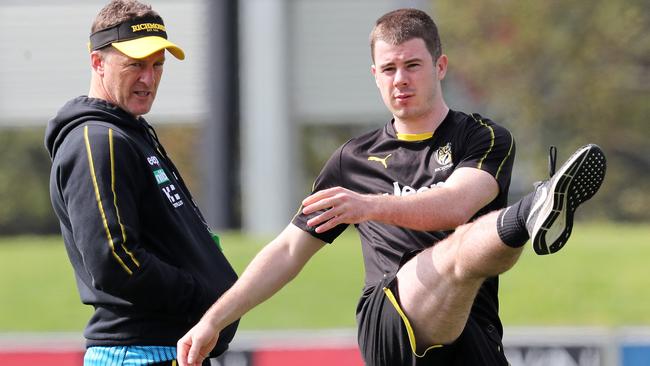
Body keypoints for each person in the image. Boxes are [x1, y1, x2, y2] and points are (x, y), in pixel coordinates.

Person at [177, 8, 606, 366]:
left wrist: (367, 206)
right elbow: (288, 250)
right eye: (389, 68)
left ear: (440, 66)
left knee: (472, 246)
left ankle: (531, 214)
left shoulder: (483, 137)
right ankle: (533, 209)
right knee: (459, 252)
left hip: (471, 331)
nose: (400, 78)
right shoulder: (352, 160)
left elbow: (458, 204)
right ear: (375, 75)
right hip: (390, 320)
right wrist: (213, 320)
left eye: (412, 65)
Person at [44, 1, 238, 365]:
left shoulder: (128, 133)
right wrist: (205, 298)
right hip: (139, 355)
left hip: (165, 351)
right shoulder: (98, 140)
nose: (148, 79)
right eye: (135, 64)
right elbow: (114, 261)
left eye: (157, 65)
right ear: (98, 62)